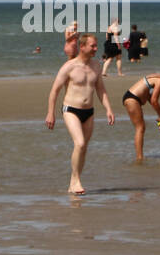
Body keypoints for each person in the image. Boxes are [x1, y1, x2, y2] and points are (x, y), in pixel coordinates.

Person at [44, 33, 115, 194]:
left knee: (83, 148)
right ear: (82, 47)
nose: (96, 49)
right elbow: (54, 91)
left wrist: (108, 109)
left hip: (89, 111)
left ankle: (73, 182)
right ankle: (76, 181)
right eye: (93, 46)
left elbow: (101, 90)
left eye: (96, 46)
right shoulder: (69, 67)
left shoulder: (96, 66)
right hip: (71, 110)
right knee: (80, 143)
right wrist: (51, 113)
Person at [122, 68, 160, 161]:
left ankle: (140, 156)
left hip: (133, 98)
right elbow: (154, 100)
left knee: (141, 128)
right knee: (140, 128)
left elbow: (149, 96)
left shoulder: (159, 77)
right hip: (132, 99)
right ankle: (139, 157)